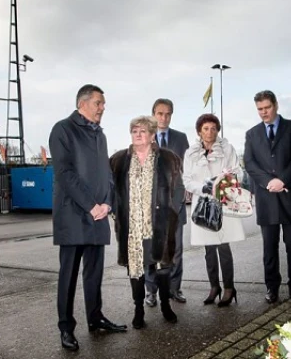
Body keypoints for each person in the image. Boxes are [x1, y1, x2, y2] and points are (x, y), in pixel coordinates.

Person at [48, 84, 127, 352]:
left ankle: (95, 318)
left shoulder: (99, 135)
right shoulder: (63, 130)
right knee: (68, 275)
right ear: (83, 103)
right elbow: (65, 173)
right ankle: (66, 328)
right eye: (98, 103)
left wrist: (108, 202)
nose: (102, 108)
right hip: (74, 216)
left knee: (94, 274)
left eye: (103, 104)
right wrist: (91, 205)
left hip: (98, 215)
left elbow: (106, 173)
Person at [110, 116, 182, 329]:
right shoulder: (118, 160)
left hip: (159, 224)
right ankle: (138, 309)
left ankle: (166, 305)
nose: (138, 134)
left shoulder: (169, 159)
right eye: (134, 131)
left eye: (143, 131)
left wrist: (172, 211)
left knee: (162, 268)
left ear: (152, 135)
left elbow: (178, 189)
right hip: (131, 228)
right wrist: (116, 211)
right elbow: (110, 189)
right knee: (136, 269)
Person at [243, 90, 291, 304]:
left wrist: (283, 180)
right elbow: (250, 163)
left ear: (276, 105)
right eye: (260, 109)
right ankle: (272, 288)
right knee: (269, 248)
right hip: (267, 198)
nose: (264, 112)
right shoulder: (252, 134)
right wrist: (267, 182)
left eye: (267, 108)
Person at [182, 114, 246, 307]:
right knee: (208, 248)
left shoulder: (227, 149)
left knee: (223, 247)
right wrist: (203, 187)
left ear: (217, 130)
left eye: (213, 128)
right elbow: (186, 179)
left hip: (223, 202)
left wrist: (224, 181)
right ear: (199, 131)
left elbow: (238, 172)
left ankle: (228, 287)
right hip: (202, 203)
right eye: (205, 129)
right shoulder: (191, 152)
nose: (209, 132)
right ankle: (214, 286)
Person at [144, 98, 190, 306]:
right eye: (160, 113)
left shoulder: (181, 139)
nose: (164, 117)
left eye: (168, 114)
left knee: (176, 250)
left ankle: (174, 288)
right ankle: (151, 291)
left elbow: (186, 171)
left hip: (175, 205)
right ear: (153, 114)